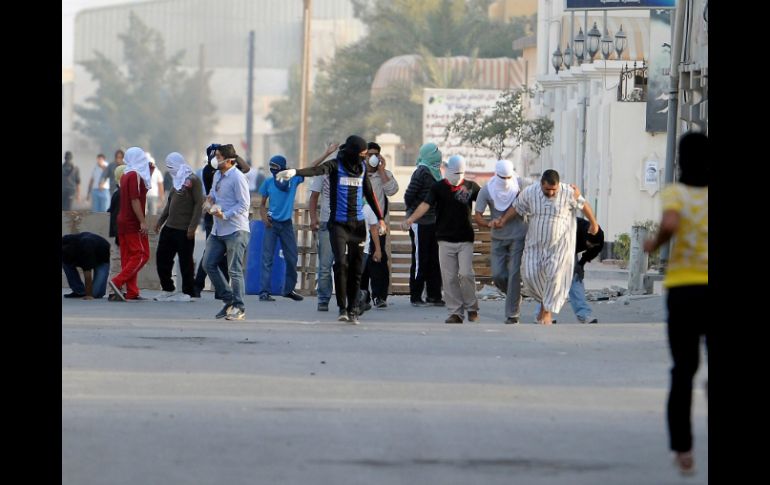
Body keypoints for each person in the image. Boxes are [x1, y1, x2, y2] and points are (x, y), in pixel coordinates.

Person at [643, 131, 708, 476]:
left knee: (683, 370)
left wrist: (655, 243)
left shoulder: (676, 193)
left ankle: (684, 451)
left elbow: (670, 222)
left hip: (685, 290)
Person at [276, 135, 385, 324]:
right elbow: (316, 170)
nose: (364, 158)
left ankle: (353, 309)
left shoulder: (362, 168)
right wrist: (295, 171)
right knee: (340, 265)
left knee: (356, 269)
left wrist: (381, 219)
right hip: (338, 224)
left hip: (358, 225)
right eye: (362, 154)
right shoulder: (336, 165)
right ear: (352, 152)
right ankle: (342, 308)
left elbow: (370, 193)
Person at [496, 170, 598, 324]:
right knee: (530, 276)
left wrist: (594, 223)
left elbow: (583, 205)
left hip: (560, 246)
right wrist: (503, 220)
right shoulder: (530, 192)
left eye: (553, 190)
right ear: (541, 184)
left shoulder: (569, 192)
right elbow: (516, 207)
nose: (551, 193)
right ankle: (544, 306)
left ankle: (546, 312)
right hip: (535, 245)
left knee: (555, 278)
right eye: (547, 190)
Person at [403, 155, 480, 323]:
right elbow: (425, 205)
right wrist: (411, 219)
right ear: (447, 170)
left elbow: (484, 200)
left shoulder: (471, 186)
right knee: (449, 277)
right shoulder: (438, 188)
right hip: (444, 239)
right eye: (454, 172)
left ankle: (472, 307)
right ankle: (455, 312)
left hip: (465, 238)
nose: (457, 176)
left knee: (466, 274)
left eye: (460, 173)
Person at [474, 160, 529, 324]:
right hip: (498, 238)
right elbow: (478, 216)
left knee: (513, 274)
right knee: (498, 275)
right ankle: (515, 296)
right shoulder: (487, 190)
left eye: (508, 177)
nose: (505, 180)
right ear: (495, 174)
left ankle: (512, 314)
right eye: (502, 177)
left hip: (518, 236)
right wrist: (489, 223)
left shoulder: (521, 185)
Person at [193, 144, 251, 298]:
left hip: (235, 229)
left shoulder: (238, 177)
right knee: (208, 263)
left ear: (228, 160)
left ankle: (238, 305)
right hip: (217, 229)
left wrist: (225, 214)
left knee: (234, 270)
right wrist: (209, 200)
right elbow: (213, 191)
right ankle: (227, 296)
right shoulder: (217, 174)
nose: (214, 159)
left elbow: (244, 204)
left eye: (218, 156)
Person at [533, 218, 605, 323]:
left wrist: (581, 264)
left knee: (575, 278)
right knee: (552, 279)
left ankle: (584, 314)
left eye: (593, 245)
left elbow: (592, 252)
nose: (590, 246)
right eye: (589, 243)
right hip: (556, 243)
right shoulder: (576, 230)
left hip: (571, 249)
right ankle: (540, 315)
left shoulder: (598, 241)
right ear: (586, 237)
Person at [153, 152, 203, 302]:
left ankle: (188, 292)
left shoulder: (193, 180)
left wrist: (192, 227)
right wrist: (160, 222)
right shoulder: (177, 181)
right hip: (169, 228)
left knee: (185, 262)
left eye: (171, 167)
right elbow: (170, 203)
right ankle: (168, 288)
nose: (170, 170)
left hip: (184, 229)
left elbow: (198, 204)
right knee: (162, 259)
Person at [257, 154, 305, 302]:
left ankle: (288, 289)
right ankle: (264, 292)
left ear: (283, 167)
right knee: (267, 259)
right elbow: (262, 204)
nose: (273, 170)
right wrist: (264, 218)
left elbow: (308, 170)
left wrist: (327, 153)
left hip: (286, 225)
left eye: (276, 167)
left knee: (292, 258)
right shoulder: (268, 182)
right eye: (271, 166)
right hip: (272, 224)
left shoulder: (293, 179)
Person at [108, 147, 153, 301]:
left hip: (122, 220)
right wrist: (142, 221)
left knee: (128, 257)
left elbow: (141, 193)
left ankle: (132, 291)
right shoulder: (134, 175)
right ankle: (118, 281)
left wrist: (150, 171)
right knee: (142, 254)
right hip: (132, 221)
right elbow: (135, 200)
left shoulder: (127, 174)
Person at [403, 142, 444, 307]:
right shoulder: (421, 172)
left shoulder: (436, 173)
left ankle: (434, 295)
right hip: (420, 223)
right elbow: (408, 196)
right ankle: (416, 295)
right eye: (435, 152)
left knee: (435, 259)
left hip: (435, 223)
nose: (438, 155)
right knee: (421, 259)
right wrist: (414, 214)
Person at [361, 142, 398, 308]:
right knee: (362, 261)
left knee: (379, 260)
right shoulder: (357, 173)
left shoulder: (384, 174)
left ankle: (380, 296)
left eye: (375, 154)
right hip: (360, 226)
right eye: (369, 154)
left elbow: (392, 190)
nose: (372, 158)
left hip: (378, 226)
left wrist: (382, 170)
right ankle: (362, 295)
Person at [62, 232, 111, 300]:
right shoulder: (66, 241)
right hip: (82, 249)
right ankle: (79, 291)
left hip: (101, 257)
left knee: (95, 294)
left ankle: (88, 293)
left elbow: (87, 276)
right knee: (65, 263)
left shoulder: (86, 250)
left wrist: (89, 295)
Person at [359, 200, 384, 312]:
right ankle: (360, 297)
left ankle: (372, 297)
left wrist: (378, 249)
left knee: (369, 271)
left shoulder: (368, 207)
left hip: (364, 248)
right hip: (348, 248)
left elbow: (373, 229)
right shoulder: (344, 204)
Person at [108, 165, 127, 247]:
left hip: (120, 232)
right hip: (122, 232)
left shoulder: (118, 192)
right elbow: (116, 213)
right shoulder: (122, 193)